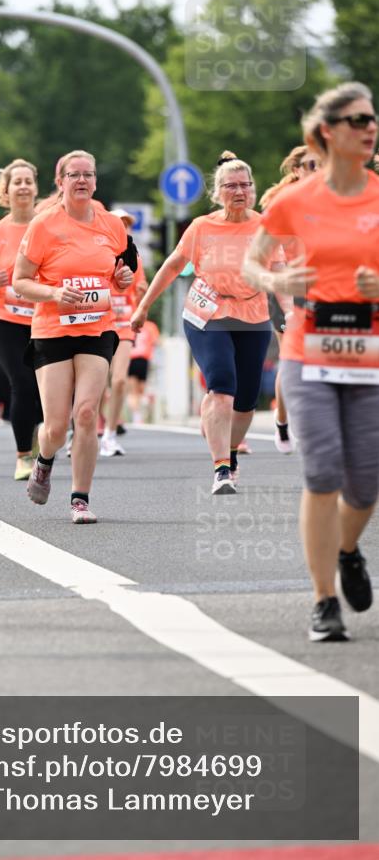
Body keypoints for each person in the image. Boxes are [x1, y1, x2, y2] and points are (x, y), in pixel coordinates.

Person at [244, 82, 379, 642]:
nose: (370, 127)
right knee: (322, 471)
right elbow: (251, 264)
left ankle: (348, 549)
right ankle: (323, 601)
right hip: (308, 352)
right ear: (327, 132)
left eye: (373, 118)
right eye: (357, 119)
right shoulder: (294, 201)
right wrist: (276, 278)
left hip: (368, 354)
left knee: (366, 485)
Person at [132, 151, 274, 496]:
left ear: (253, 189)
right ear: (217, 192)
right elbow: (171, 265)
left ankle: (231, 452)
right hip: (207, 314)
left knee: (246, 400)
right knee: (222, 385)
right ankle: (221, 468)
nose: (239, 191)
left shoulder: (267, 227)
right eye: (231, 186)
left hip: (253, 314)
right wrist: (143, 306)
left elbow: (280, 275)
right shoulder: (202, 227)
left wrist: (291, 317)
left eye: (245, 185)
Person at [13, 150, 135, 524]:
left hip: (96, 328)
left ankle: (80, 498)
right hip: (52, 330)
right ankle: (45, 461)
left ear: (95, 181)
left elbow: (123, 267)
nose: (82, 180)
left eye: (88, 175)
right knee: (54, 425)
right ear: (60, 182)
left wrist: (122, 279)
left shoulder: (111, 224)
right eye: (74, 175)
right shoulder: (44, 225)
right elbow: (20, 282)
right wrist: (52, 293)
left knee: (85, 413)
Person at [0, 158, 42, 480]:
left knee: (45, 386)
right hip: (3, 318)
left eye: (29, 181)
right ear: (7, 189)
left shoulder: (48, 227)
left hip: (43, 317)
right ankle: (22, 456)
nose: (24, 186)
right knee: (23, 381)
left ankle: (39, 439)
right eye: (18, 181)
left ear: (36, 187)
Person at [260, 145, 321, 455]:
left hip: (325, 285)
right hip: (289, 286)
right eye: (311, 165)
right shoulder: (283, 202)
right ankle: (283, 420)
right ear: (296, 169)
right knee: (292, 356)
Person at [99, 208, 147, 457]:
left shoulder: (133, 256)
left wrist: (142, 294)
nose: (124, 228)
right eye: (119, 223)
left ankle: (109, 434)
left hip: (124, 324)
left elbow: (142, 286)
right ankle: (83, 428)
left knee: (118, 380)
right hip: (98, 323)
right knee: (94, 384)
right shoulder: (97, 251)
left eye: (127, 224)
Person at [127, 319, 160, 425]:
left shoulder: (150, 326)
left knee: (140, 389)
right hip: (132, 358)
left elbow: (155, 342)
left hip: (143, 358)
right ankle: (137, 415)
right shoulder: (130, 324)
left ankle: (139, 408)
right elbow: (156, 342)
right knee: (134, 390)